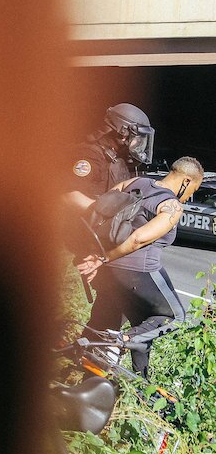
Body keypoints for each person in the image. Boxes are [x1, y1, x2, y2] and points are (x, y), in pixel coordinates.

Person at [77, 157, 202, 377]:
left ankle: (128, 381)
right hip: (138, 273)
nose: (191, 195)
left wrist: (97, 254)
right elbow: (138, 239)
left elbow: (100, 211)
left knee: (126, 322)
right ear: (185, 180)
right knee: (174, 316)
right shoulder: (172, 205)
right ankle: (119, 341)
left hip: (111, 274)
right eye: (194, 188)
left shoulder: (134, 182)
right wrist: (103, 258)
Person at [65, 103, 155, 213]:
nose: (140, 144)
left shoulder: (118, 156)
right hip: (83, 226)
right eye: (138, 139)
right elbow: (69, 194)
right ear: (124, 134)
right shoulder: (91, 155)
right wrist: (100, 212)